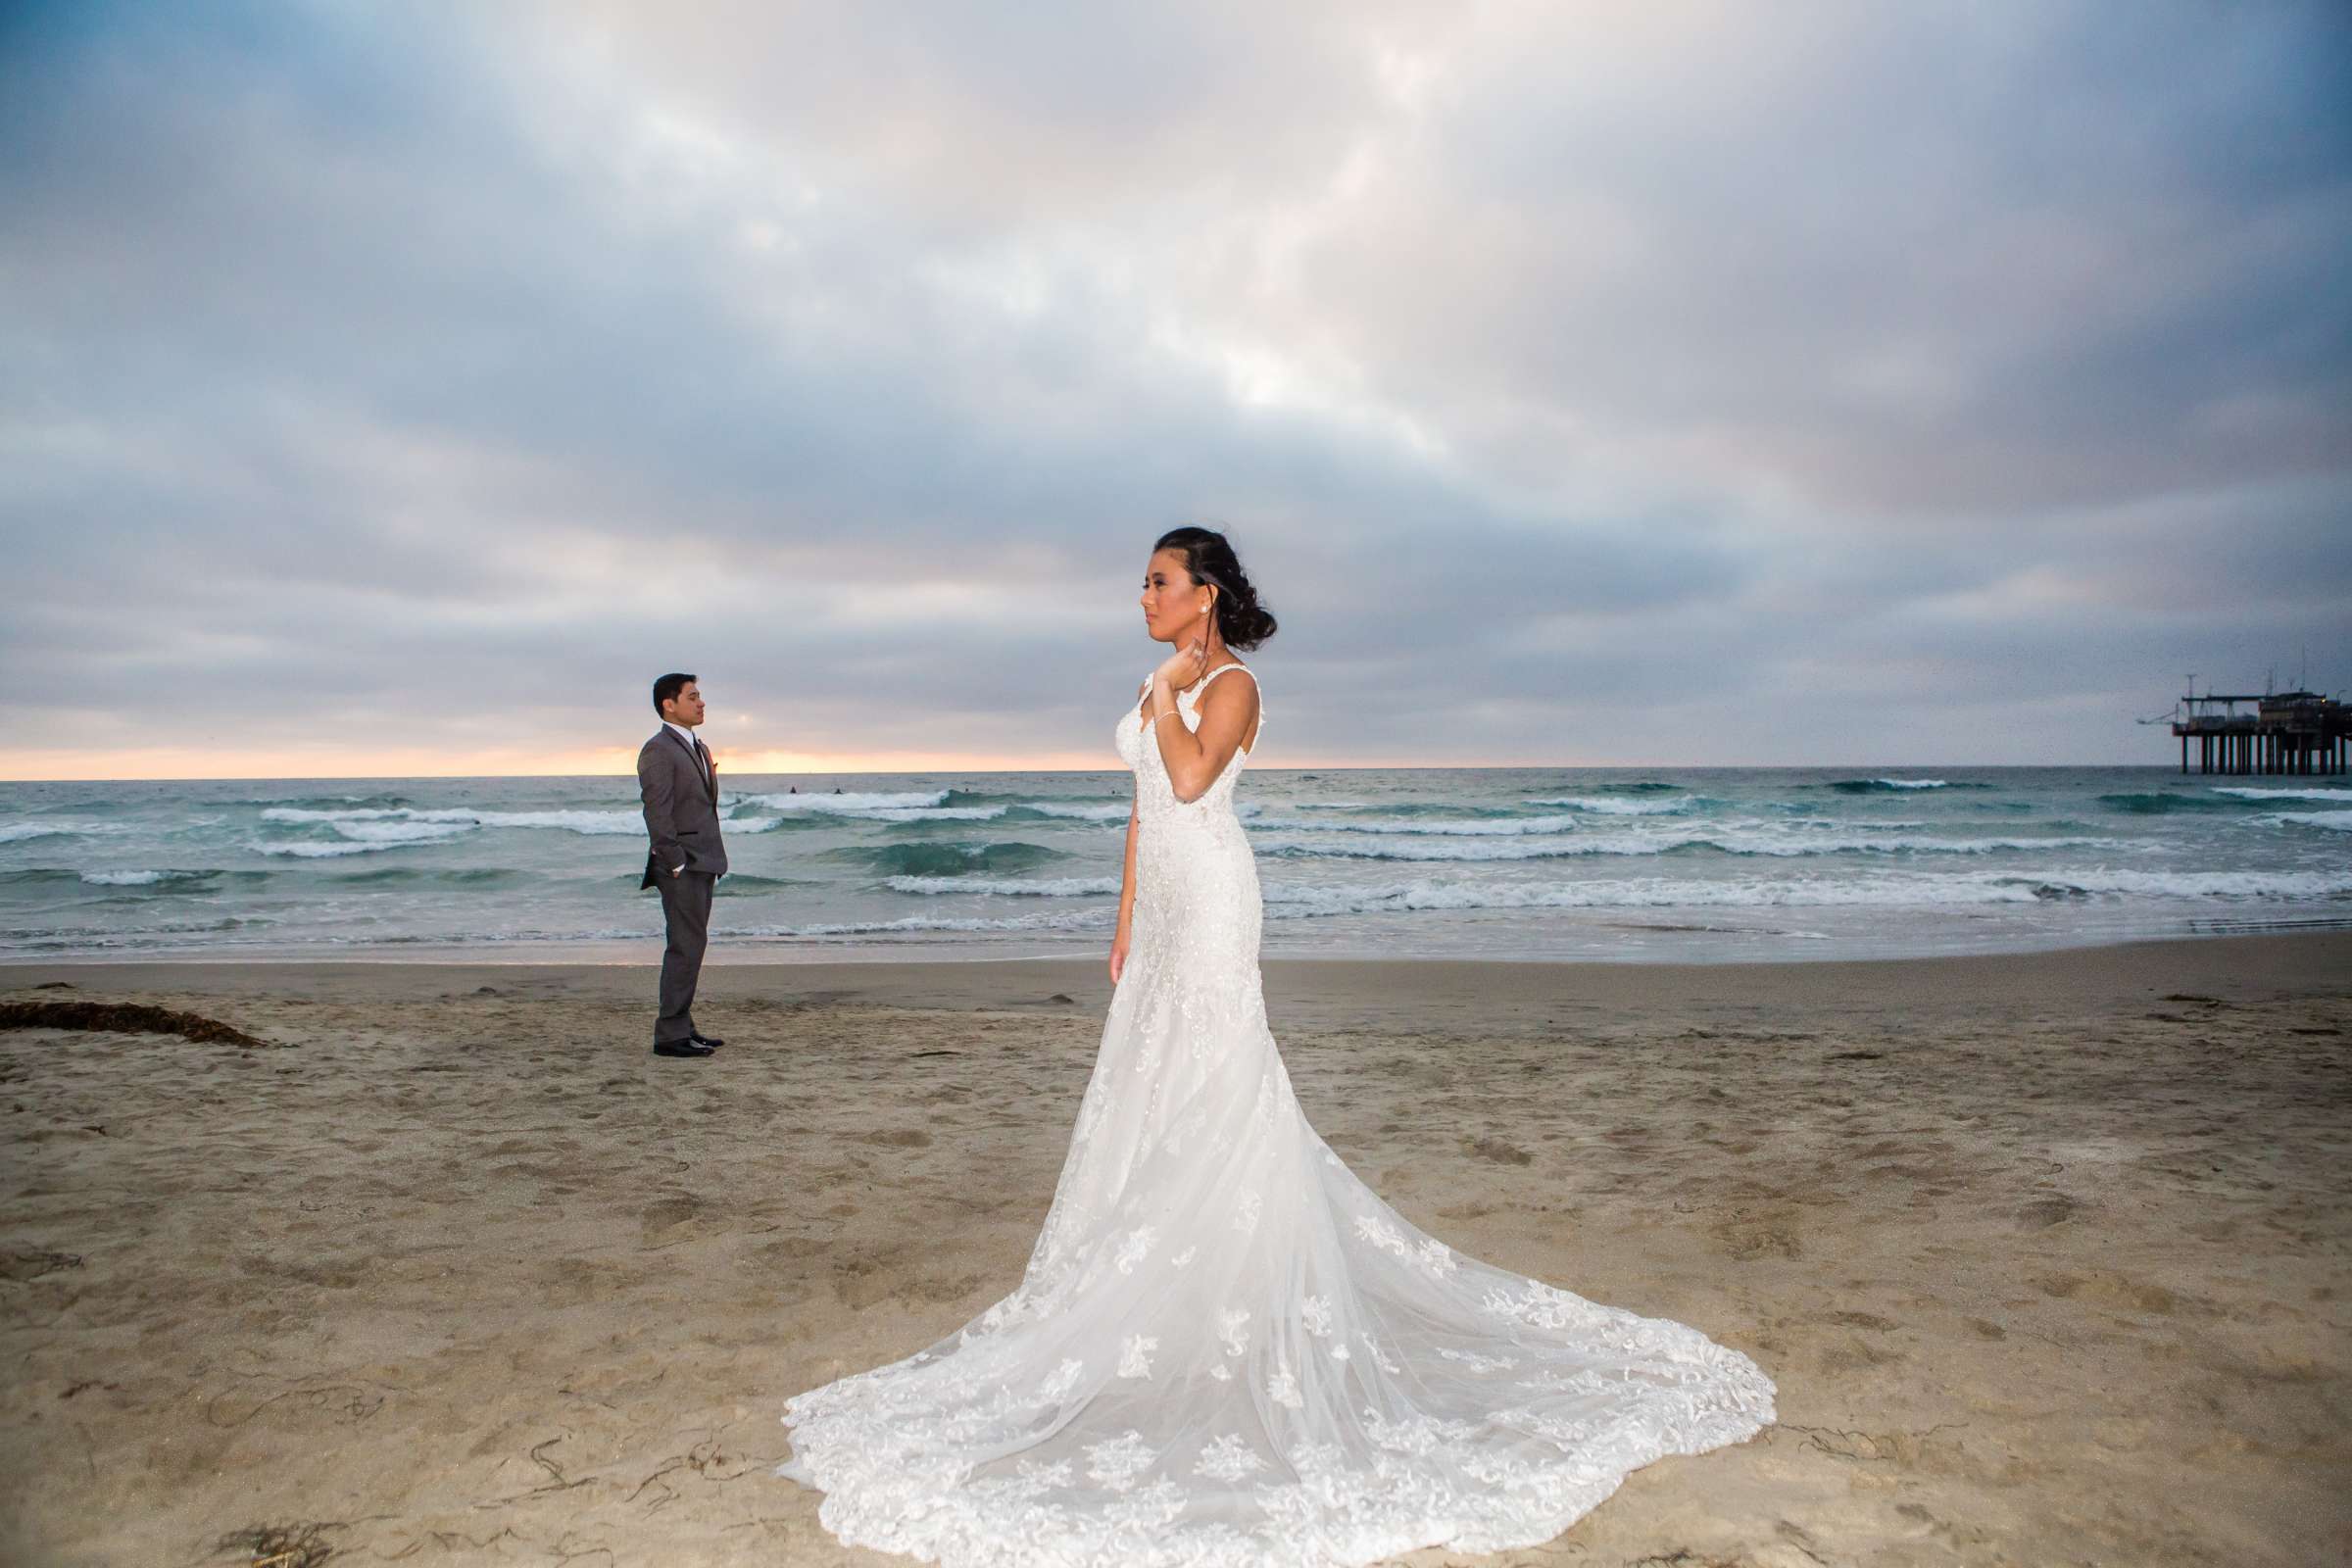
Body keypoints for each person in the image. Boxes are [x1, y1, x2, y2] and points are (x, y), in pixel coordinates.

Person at [776, 528, 1773, 1564]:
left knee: (1220, 1081)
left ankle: (1232, 1298)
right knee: (1151, 1086)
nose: (1144, 597)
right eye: (1143, 583)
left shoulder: (1235, 684)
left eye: (1158, 582)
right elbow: (1143, 805)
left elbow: (1195, 778)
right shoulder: (1160, 675)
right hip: (1163, 907)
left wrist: (1165, 693)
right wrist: (1122, 916)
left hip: (1213, 904)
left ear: (1203, 595)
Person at [637, 672, 727, 1059]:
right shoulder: (658, 749)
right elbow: (657, 810)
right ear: (668, 704)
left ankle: (682, 1025)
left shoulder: (697, 746)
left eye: (700, 695)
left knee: (693, 944)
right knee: (685, 947)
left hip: (704, 859)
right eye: (692, 696)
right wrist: (673, 862)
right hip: (683, 864)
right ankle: (670, 1035)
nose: (701, 702)